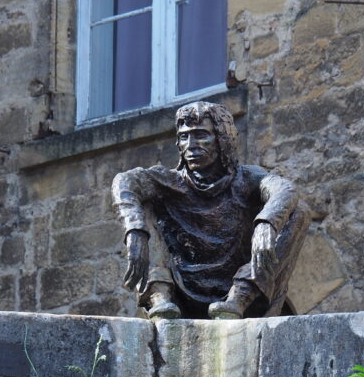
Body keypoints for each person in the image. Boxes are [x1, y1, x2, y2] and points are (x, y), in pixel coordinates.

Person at [112, 101, 309, 319]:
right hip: (181, 290)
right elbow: (125, 181)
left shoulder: (247, 178)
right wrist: (135, 230)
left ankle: (240, 295)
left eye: (200, 135)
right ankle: (159, 295)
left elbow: (284, 188)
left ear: (222, 139)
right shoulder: (170, 182)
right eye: (184, 137)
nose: (190, 145)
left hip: (240, 292)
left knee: (297, 212)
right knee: (143, 201)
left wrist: (267, 222)